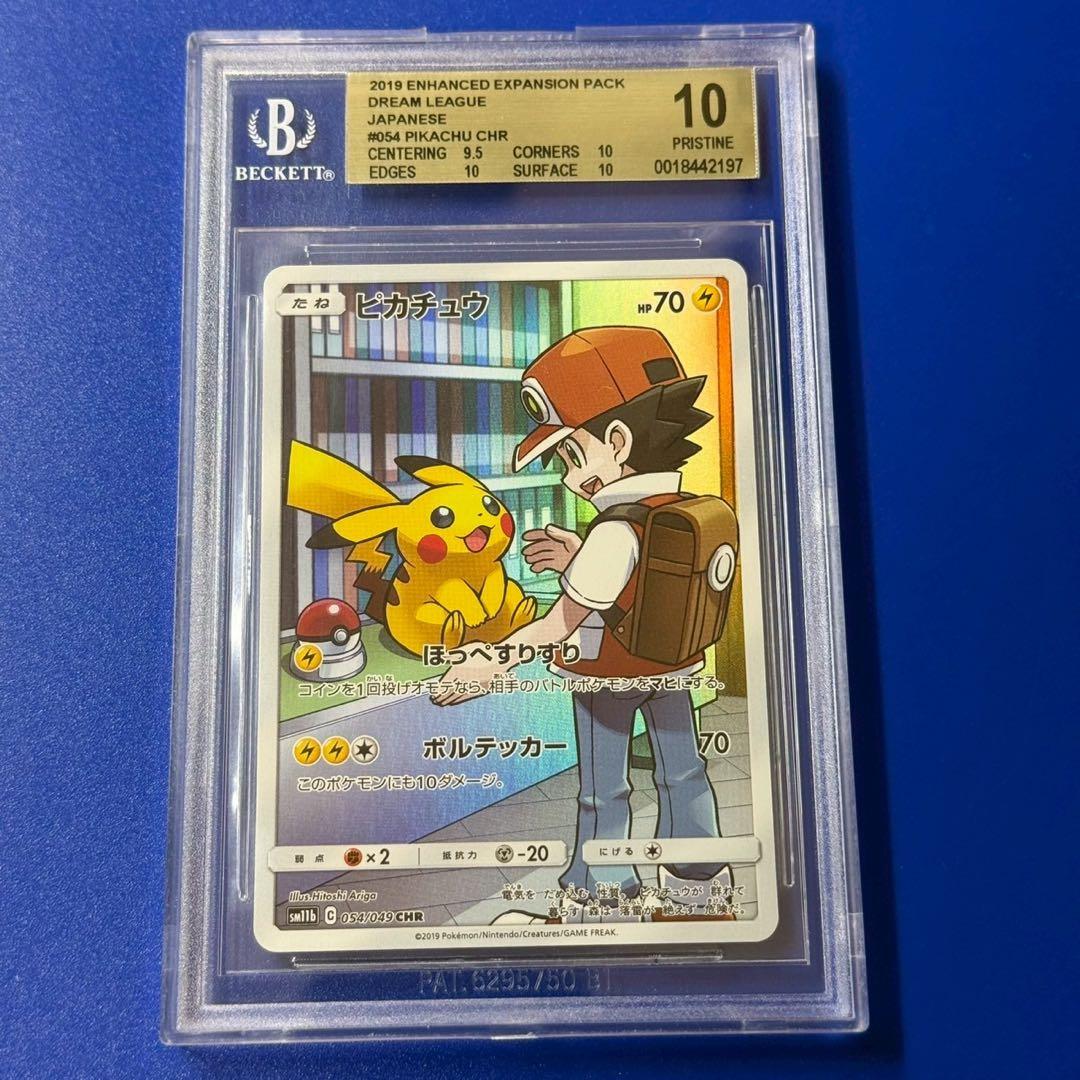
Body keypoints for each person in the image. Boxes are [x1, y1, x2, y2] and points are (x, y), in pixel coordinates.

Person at [432, 326, 727, 908]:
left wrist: (491, 660)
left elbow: (560, 624)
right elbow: (642, 584)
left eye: (572, 453)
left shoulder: (613, 531)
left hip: (605, 678)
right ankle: (700, 881)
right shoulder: (676, 507)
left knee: (604, 790)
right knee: (683, 771)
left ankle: (602, 891)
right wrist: (578, 559)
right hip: (670, 668)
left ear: (618, 441)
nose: (570, 476)